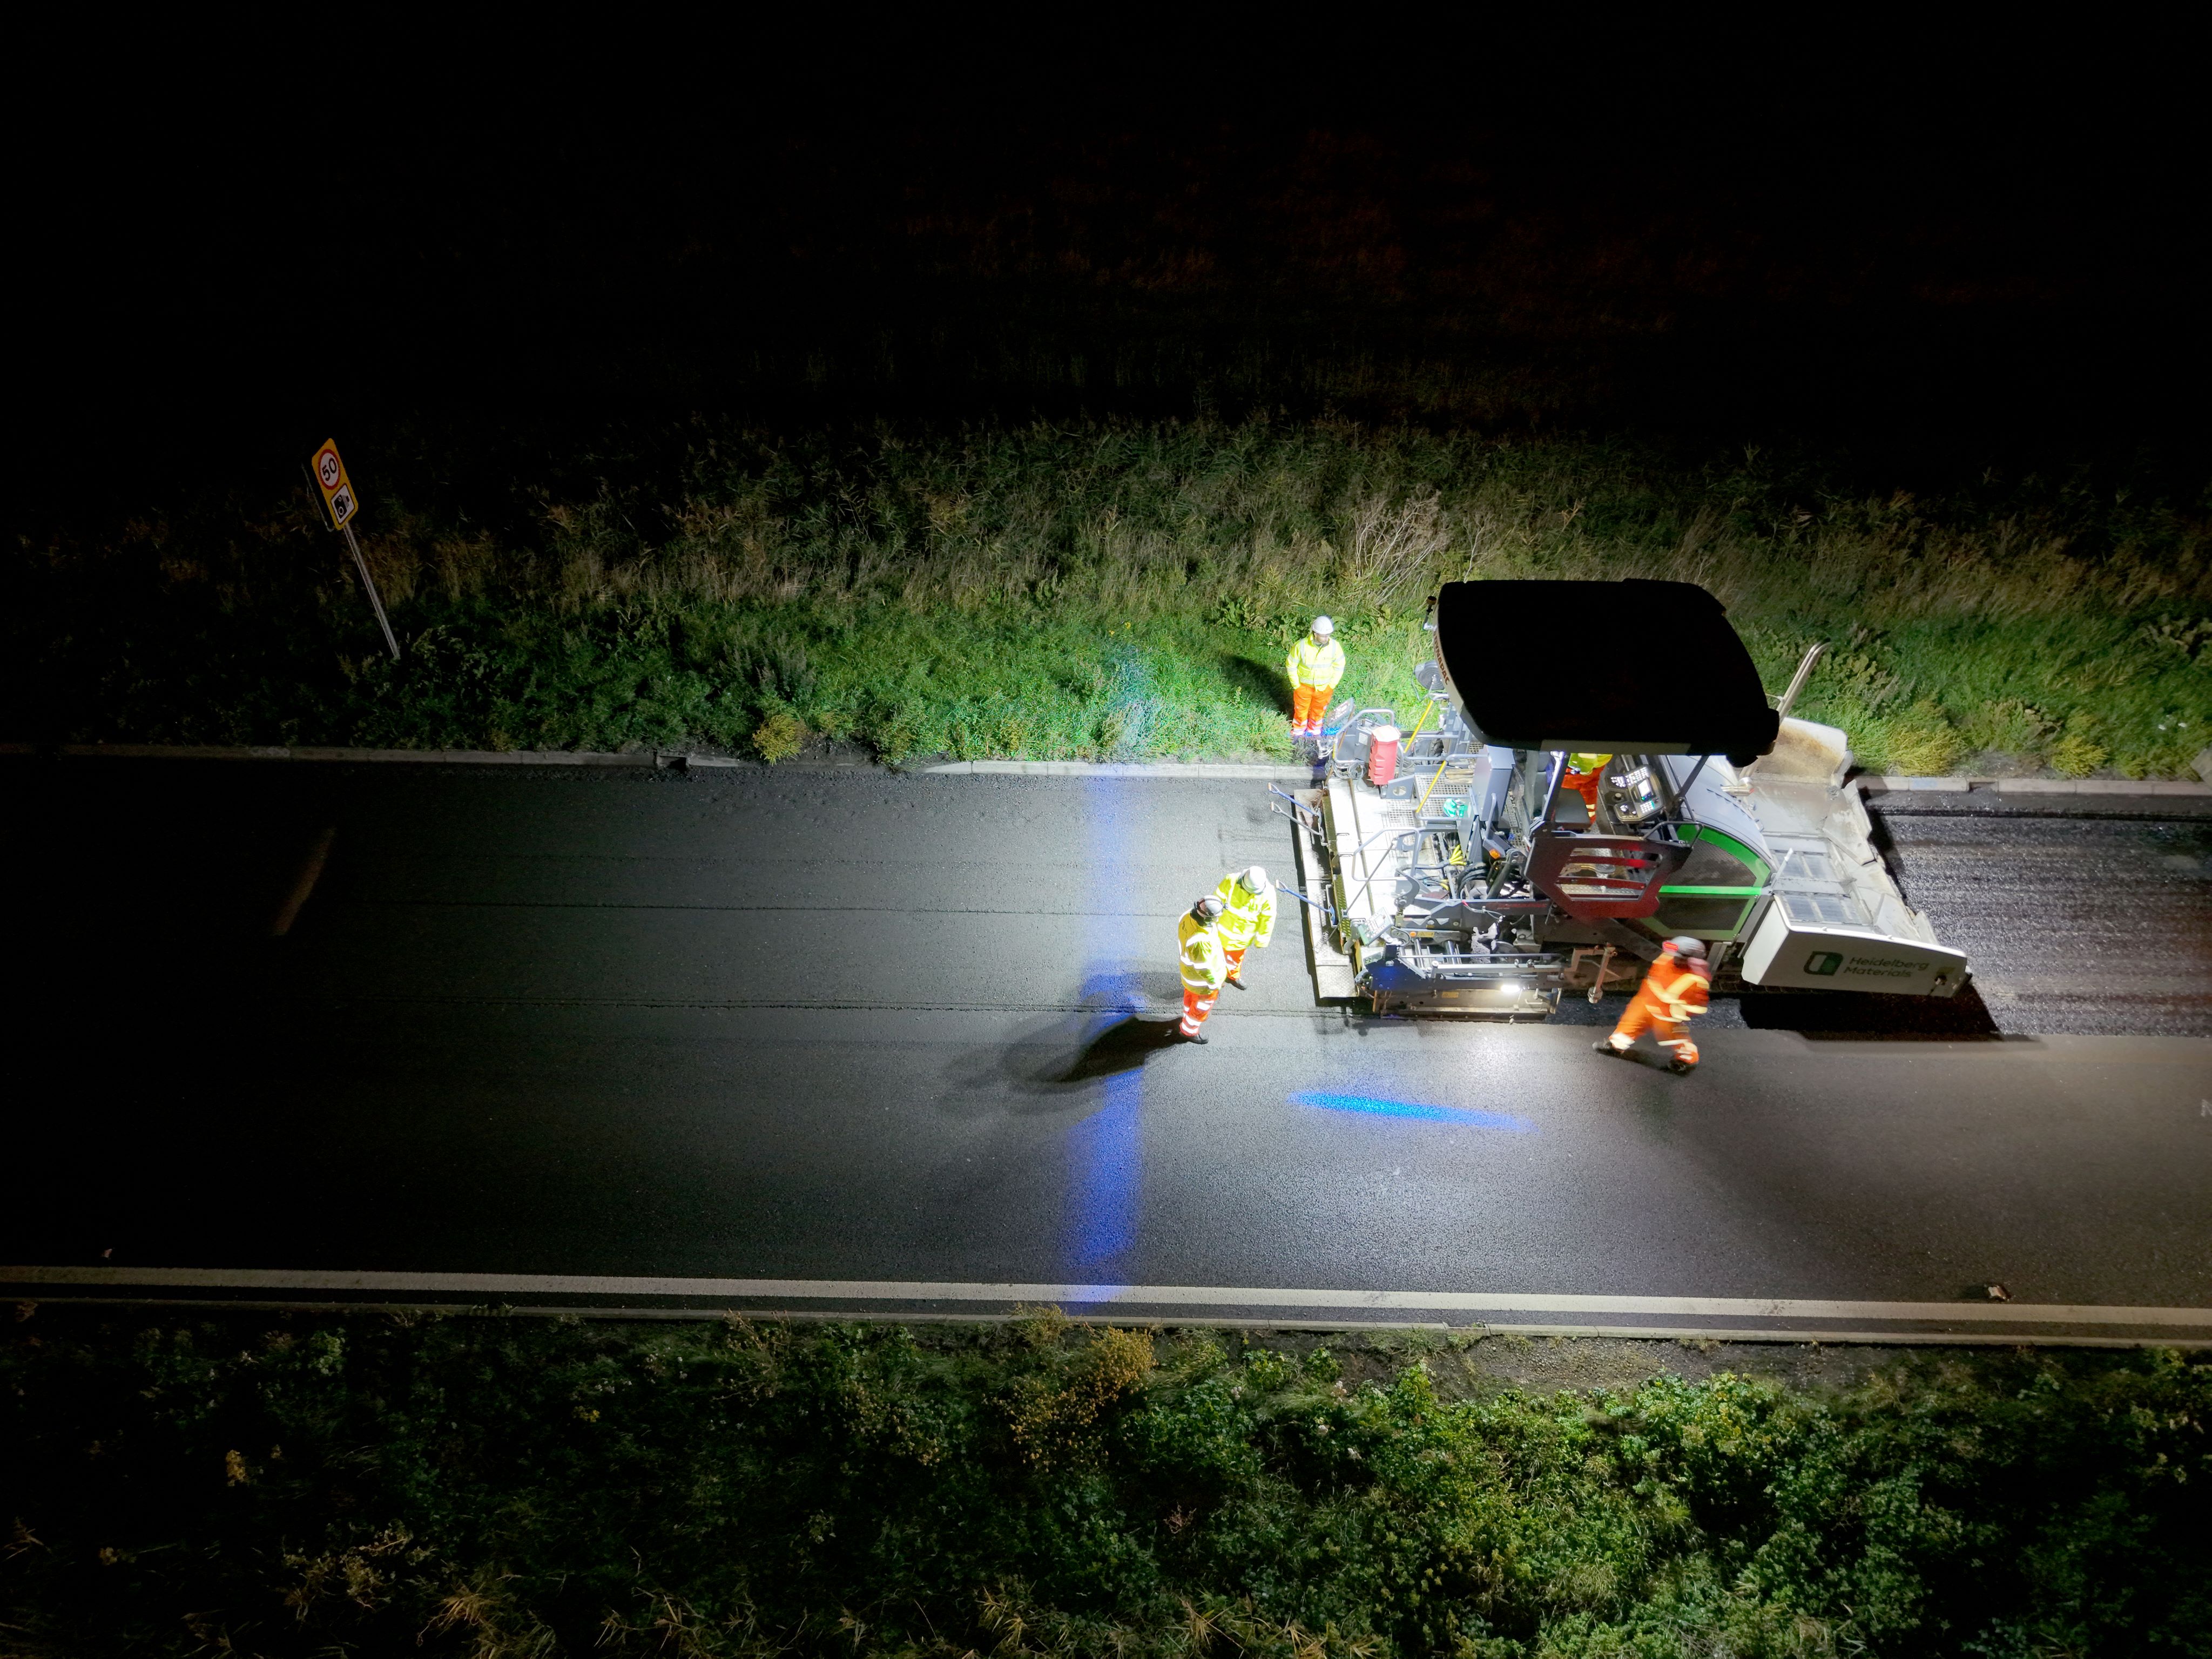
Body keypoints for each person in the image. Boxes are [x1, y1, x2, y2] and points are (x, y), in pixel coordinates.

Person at [1594, 935, 1710, 1073]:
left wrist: (1681, 1011)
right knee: (1629, 1024)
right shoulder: (1666, 959)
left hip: (1668, 1015)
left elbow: (1698, 1004)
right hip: (1646, 1003)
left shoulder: (1696, 979)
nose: (1674, 957)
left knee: (1675, 1037)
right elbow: (1652, 977)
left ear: (1690, 959)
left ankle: (1687, 1058)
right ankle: (1616, 1045)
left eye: (1679, 956)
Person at [1210, 866, 1277, 990]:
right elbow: (1216, 899)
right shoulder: (1231, 880)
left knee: (1235, 961)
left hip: (1240, 939)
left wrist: (1263, 939)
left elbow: (1269, 917)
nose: (1249, 894)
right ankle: (1215, 980)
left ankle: (1232, 977)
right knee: (1214, 958)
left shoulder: (1268, 894)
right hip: (1220, 933)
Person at [1177, 895, 1229, 1043]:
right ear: (1209, 918)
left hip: (1190, 977)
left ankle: (1187, 1016)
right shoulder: (1200, 941)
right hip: (1202, 984)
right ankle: (1189, 1031)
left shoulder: (1187, 916)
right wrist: (1215, 984)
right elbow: (1204, 968)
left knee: (1190, 999)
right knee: (1201, 1008)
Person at [1285, 616, 1347, 739]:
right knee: (1301, 709)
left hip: (1324, 688)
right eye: (1324, 635)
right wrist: (1296, 685)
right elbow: (1291, 665)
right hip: (1304, 687)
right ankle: (1298, 730)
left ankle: (1315, 731)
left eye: (1328, 635)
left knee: (1319, 711)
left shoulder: (1335, 647)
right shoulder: (1301, 646)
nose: (1327, 638)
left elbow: (1340, 666)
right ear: (1315, 633)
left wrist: (1331, 685)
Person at [1561, 752, 1612, 817]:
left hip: (1578, 767)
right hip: (1599, 761)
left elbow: (1587, 754)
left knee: (1565, 793)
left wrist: (1584, 771)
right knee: (1588, 786)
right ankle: (1587, 818)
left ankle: (1563, 819)